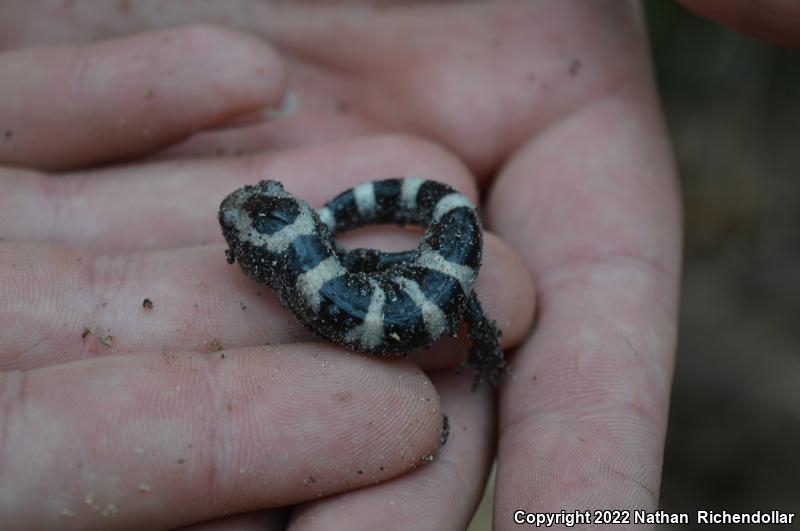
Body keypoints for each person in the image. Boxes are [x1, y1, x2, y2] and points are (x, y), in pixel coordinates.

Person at [0, 1, 794, 529]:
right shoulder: (301, 269)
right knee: (407, 279)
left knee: (460, 298)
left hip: (433, 279)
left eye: (251, 228)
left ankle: (461, 309)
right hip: (406, 273)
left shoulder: (303, 270)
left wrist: (449, 312)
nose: (243, 231)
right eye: (244, 234)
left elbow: (329, 261)